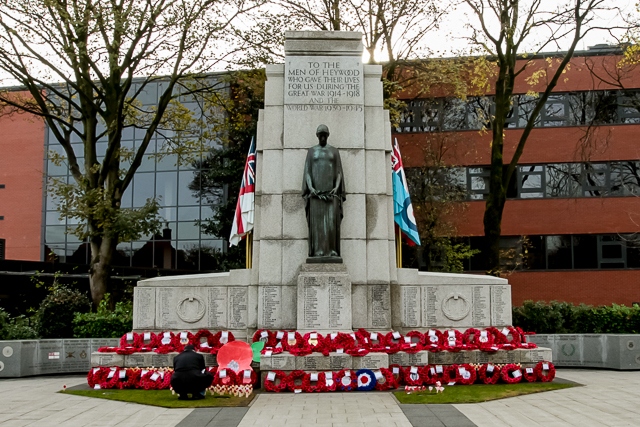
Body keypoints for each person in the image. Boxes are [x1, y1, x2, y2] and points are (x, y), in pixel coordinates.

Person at [301, 124, 346, 260]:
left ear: (327, 135)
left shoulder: (334, 151)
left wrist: (337, 187)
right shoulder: (311, 151)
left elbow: (338, 171)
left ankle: (332, 250)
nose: (322, 137)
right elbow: (307, 172)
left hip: (331, 195)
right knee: (318, 226)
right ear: (317, 136)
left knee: (331, 224)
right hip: (315, 195)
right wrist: (311, 188)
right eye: (320, 135)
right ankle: (318, 251)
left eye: (324, 135)